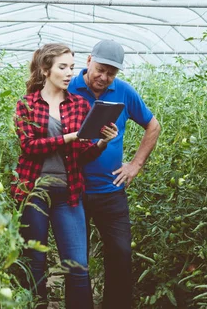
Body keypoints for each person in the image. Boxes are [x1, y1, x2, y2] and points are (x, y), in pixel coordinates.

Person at [12, 43, 118, 309]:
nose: (70, 73)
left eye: (71, 67)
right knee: (34, 263)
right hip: (33, 192)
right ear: (45, 69)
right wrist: (69, 137)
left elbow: (81, 153)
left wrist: (102, 143)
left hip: (68, 192)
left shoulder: (79, 105)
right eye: (63, 67)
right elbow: (29, 146)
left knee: (78, 264)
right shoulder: (26, 105)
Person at [67, 39, 161, 308]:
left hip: (111, 190)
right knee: (77, 260)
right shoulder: (68, 88)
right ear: (88, 61)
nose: (104, 77)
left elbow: (152, 126)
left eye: (111, 73)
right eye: (100, 69)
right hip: (75, 190)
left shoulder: (123, 91)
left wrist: (136, 165)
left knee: (120, 254)